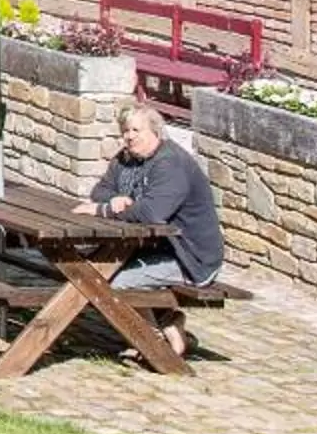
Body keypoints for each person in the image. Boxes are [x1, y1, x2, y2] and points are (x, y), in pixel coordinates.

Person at [75, 100, 225, 360]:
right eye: (126, 131)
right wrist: (115, 200)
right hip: (152, 247)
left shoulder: (171, 164)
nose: (129, 137)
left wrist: (105, 211)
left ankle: (152, 338)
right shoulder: (125, 159)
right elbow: (100, 191)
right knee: (91, 267)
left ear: (155, 132)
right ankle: (166, 324)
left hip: (190, 256)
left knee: (111, 283)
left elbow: (152, 214)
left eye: (136, 131)